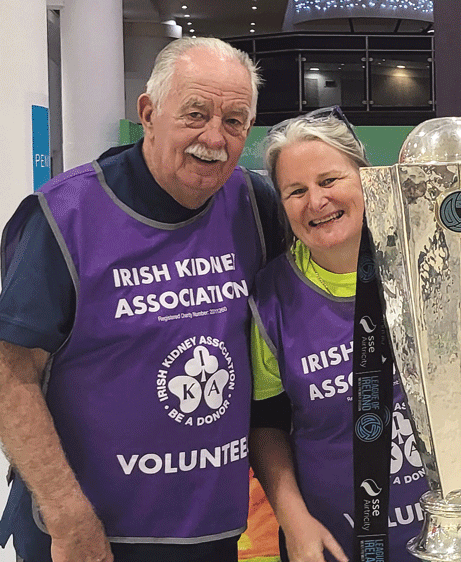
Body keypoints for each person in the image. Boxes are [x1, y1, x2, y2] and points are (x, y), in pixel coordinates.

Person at [0, 37, 285, 562]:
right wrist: (67, 513)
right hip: (89, 538)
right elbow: (9, 370)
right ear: (149, 113)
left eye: (234, 121)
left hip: (212, 532)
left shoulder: (255, 204)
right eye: (195, 114)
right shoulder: (66, 217)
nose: (213, 138)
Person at [247, 107, 426, 562]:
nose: (316, 202)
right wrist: (295, 522)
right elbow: (267, 423)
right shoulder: (270, 298)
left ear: (364, 178)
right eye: (296, 191)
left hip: (442, 535)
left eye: (329, 181)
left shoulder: (427, 266)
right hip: (333, 541)